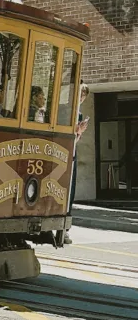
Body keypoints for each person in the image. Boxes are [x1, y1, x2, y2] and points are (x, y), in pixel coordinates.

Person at [64, 83, 90, 243]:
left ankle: (66, 228)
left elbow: (76, 139)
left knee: (70, 192)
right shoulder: (65, 111)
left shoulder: (79, 114)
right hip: (62, 153)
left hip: (72, 152)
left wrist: (79, 132)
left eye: (83, 96)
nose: (81, 98)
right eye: (79, 94)